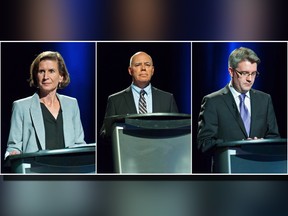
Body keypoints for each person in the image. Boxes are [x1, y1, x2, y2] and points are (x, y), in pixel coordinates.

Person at [197, 47, 280, 153]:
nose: (250, 79)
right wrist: (239, 144)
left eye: (253, 73)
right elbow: (204, 143)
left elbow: (274, 138)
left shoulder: (265, 100)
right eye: (244, 73)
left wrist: (261, 144)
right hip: (229, 166)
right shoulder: (212, 101)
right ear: (231, 71)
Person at [5, 51, 86, 157]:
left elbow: (79, 144)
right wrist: (13, 154)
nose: (45, 76)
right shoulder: (21, 107)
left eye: (51, 71)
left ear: (61, 76)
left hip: (69, 169)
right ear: (36, 75)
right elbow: (14, 147)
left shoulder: (71, 104)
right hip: (37, 170)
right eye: (41, 71)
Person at [100, 51, 179, 136]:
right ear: (130, 70)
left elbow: (178, 131)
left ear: (152, 70)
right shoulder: (115, 100)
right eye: (138, 65)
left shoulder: (167, 99)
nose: (143, 68)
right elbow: (104, 134)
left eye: (147, 65)